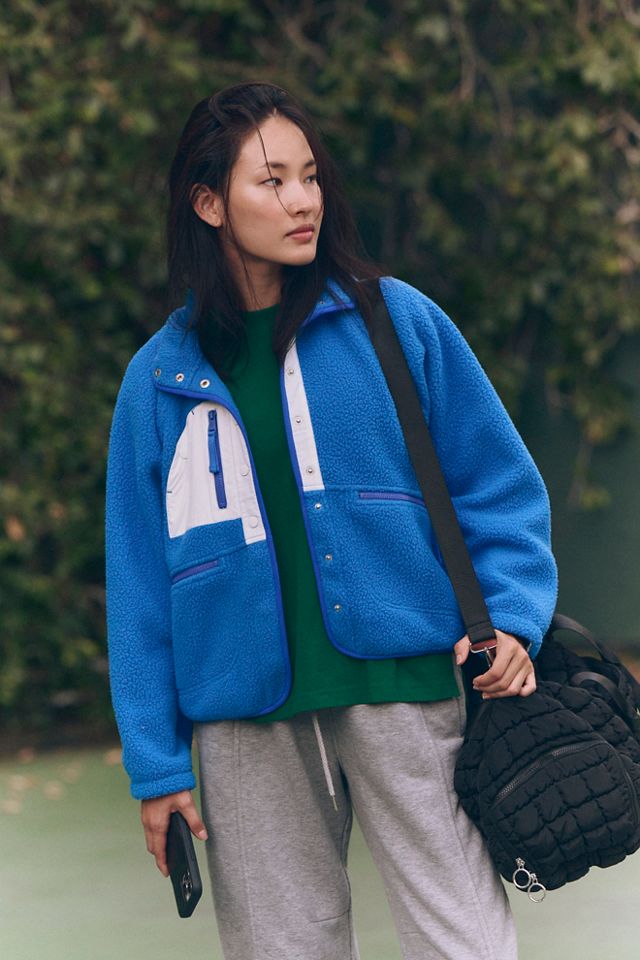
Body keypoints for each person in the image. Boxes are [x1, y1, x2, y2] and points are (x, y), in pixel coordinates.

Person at [105, 81, 558, 960]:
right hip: (243, 724)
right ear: (208, 203)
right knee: (282, 948)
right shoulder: (158, 381)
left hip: (407, 685)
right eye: (272, 181)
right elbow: (138, 586)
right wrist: (156, 764)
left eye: (309, 176)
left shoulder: (395, 319)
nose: (303, 200)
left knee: (463, 936)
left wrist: (510, 615)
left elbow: (497, 484)